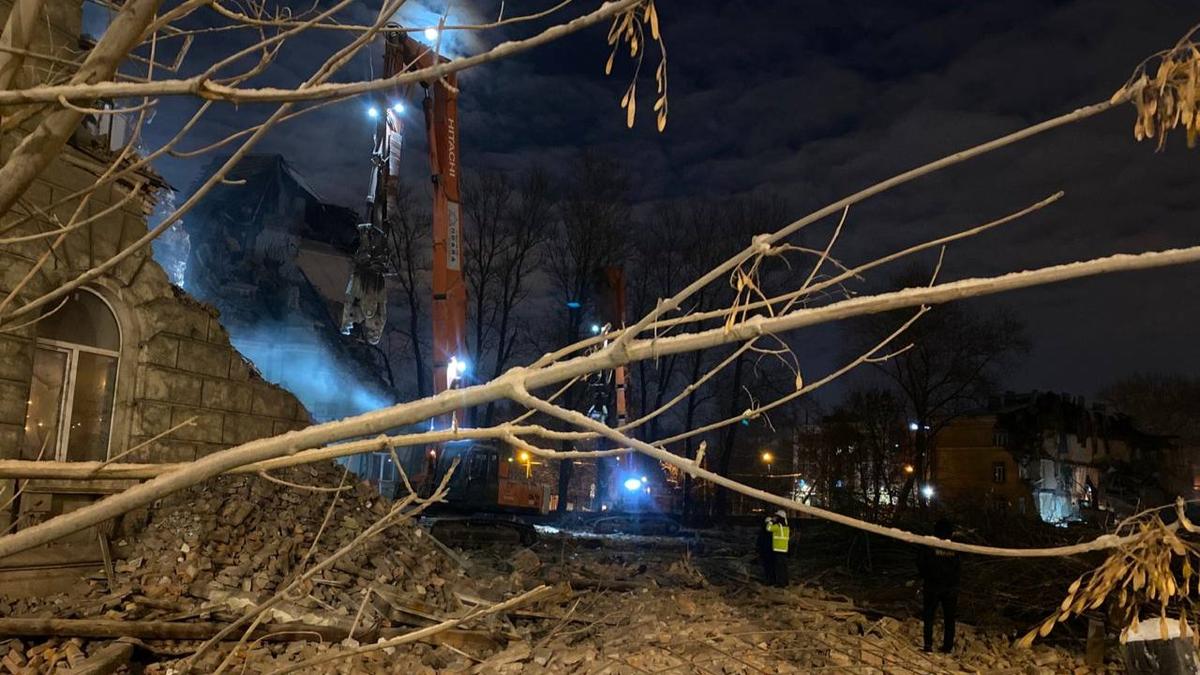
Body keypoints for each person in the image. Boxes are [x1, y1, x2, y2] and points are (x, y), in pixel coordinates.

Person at [917, 519, 962, 653]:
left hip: (932, 586)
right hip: (950, 588)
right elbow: (958, 568)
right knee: (949, 618)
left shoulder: (928, 545)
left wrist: (926, 577)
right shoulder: (955, 548)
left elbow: (921, 564)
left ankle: (928, 645)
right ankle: (947, 646)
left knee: (929, 616)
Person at [764, 509, 790, 587]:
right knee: (784, 567)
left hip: (778, 549)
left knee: (779, 568)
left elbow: (768, 528)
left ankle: (780, 583)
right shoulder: (786, 527)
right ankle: (785, 582)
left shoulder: (778, 526)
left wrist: (771, 521)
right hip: (784, 549)